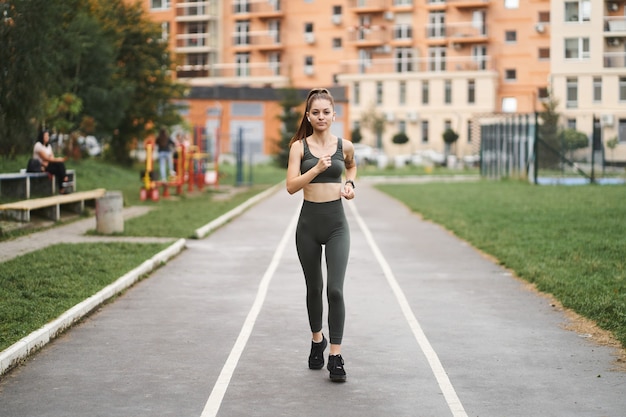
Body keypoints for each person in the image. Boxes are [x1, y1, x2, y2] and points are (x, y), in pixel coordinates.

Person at [286, 88, 357, 382]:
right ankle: (318, 340)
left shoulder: (345, 145)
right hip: (308, 226)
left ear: (334, 115)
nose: (321, 117)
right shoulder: (299, 148)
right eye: (315, 112)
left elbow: (351, 166)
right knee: (314, 288)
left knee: (335, 290)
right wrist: (315, 168)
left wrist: (351, 185)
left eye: (326, 112)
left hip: (337, 223)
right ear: (308, 116)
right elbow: (291, 186)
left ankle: (336, 356)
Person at [33, 129, 70, 194]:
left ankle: (62, 185)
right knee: (59, 165)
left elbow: (52, 158)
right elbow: (45, 158)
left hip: (48, 165)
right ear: (42, 136)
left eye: (48, 136)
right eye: (46, 136)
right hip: (41, 166)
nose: (47, 137)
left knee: (59, 167)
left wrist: (56, 160)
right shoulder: (38, 145)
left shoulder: (48, 146)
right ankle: (64, 180)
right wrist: (58, 159)